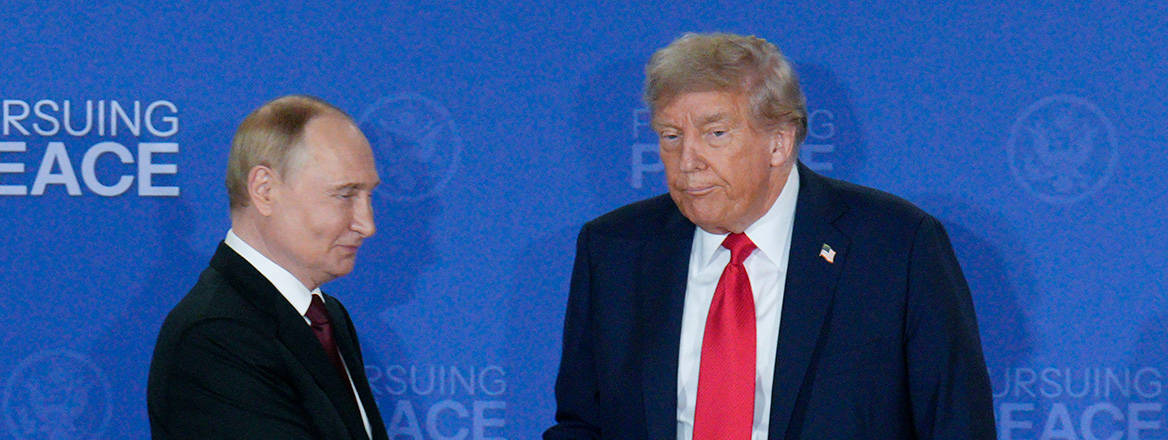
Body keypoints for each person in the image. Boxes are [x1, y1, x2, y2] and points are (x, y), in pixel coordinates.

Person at [545, 33, 995, 439]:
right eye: (670, 136)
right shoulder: (615, 250)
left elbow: (957, 424)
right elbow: (583, 424)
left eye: (715, 133)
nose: (687, 161)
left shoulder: (896, 246)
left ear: (779, 142)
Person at [148, 95, 388, 439]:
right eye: (345, 194)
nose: (367, 224)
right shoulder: (216, 335)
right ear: (265, 190)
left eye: (369, 195)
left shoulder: (326, 316)